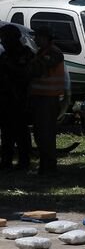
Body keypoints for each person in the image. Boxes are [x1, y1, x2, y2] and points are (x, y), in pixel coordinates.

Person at [29, 26, 65, 175]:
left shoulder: (54, 53)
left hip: (48, 99)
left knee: (46, 134)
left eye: (38, 36)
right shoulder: (41, 52)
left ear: (45, 38)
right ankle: (45, 166)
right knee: (40, 133)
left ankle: (49, 167)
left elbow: (37, 70)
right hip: (40, 97)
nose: (35, 39)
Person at [0, 24, 33, 171]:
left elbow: (25, 75)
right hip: (6, 99)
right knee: (6, 133)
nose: (3, 42)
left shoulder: (25, 54)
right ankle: (6, 160)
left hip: (21, 99)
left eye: (5, 39)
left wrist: (8, 66)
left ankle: (24, 161)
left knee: (21, 132)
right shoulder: (5, 55)